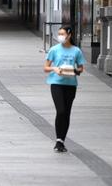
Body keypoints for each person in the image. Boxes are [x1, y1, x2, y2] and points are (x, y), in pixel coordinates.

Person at [43, 25, 85, 153]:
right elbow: (46, 67)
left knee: (66, 113)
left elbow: (81, 68)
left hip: (71, 84)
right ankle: (58, 139)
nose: (60, 36)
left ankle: (61, 141)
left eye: (62, 34)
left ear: (69, 35)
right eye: (59, 34)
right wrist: (54, 69)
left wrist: (73, 71)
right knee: (60, 110)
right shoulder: (54, 50)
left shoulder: (76, 51)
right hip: (56, 83)